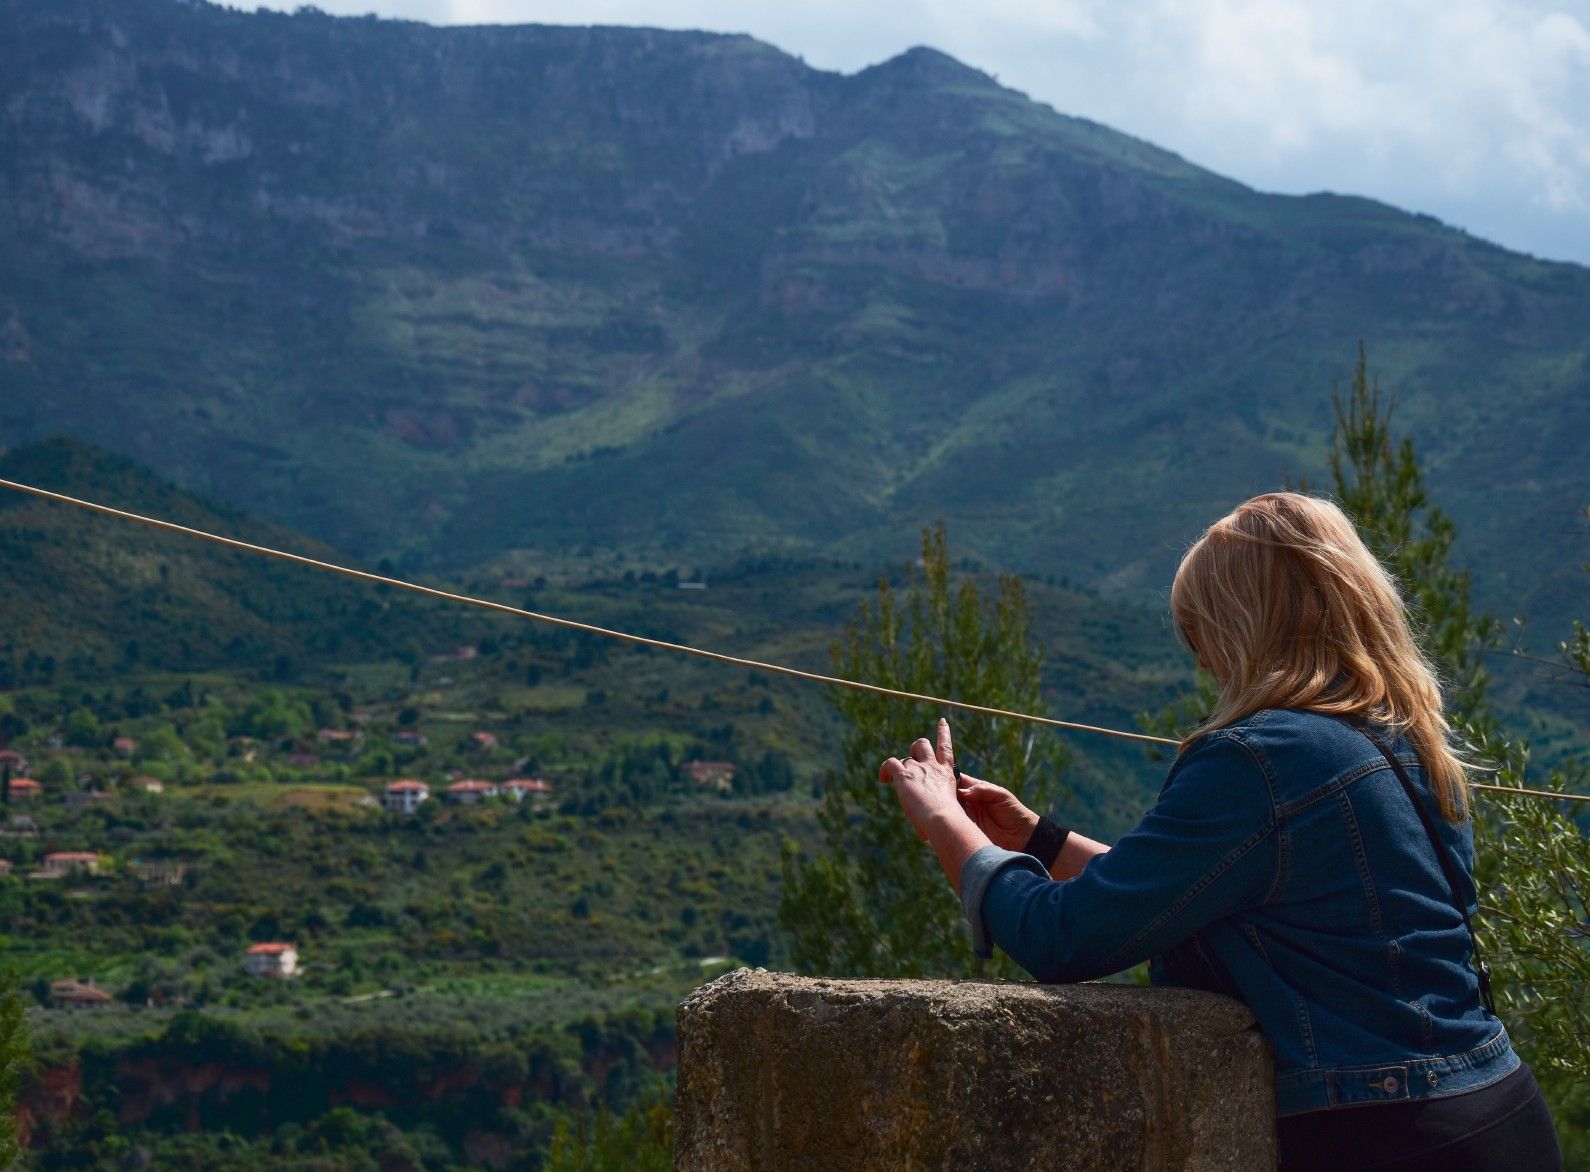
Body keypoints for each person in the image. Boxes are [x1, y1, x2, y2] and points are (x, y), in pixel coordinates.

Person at [878, 492, 1561, 1171]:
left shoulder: (1259, 759)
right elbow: (1217, 895)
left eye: (1200, 633)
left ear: (1244, 626)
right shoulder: (1403, 745)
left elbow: (1061, 937)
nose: (1202, 661)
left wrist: (943, 820)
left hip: (1390, 1142)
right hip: (1496, 1111)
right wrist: (1040, 840)